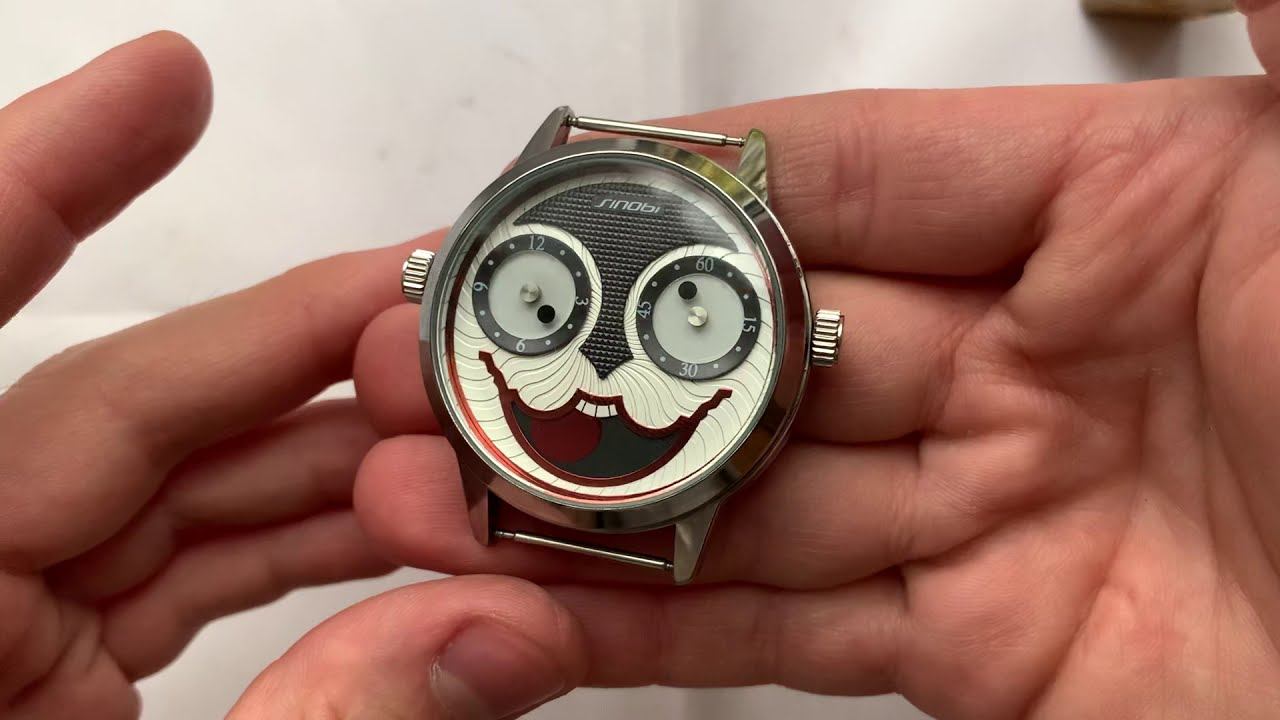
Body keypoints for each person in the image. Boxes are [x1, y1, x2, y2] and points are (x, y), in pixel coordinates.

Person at [4, 5, 1280, 717]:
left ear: (804, 341)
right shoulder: (489, 390)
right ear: (448, 288)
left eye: (688, 317)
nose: (607, 373)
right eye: (544, 303)